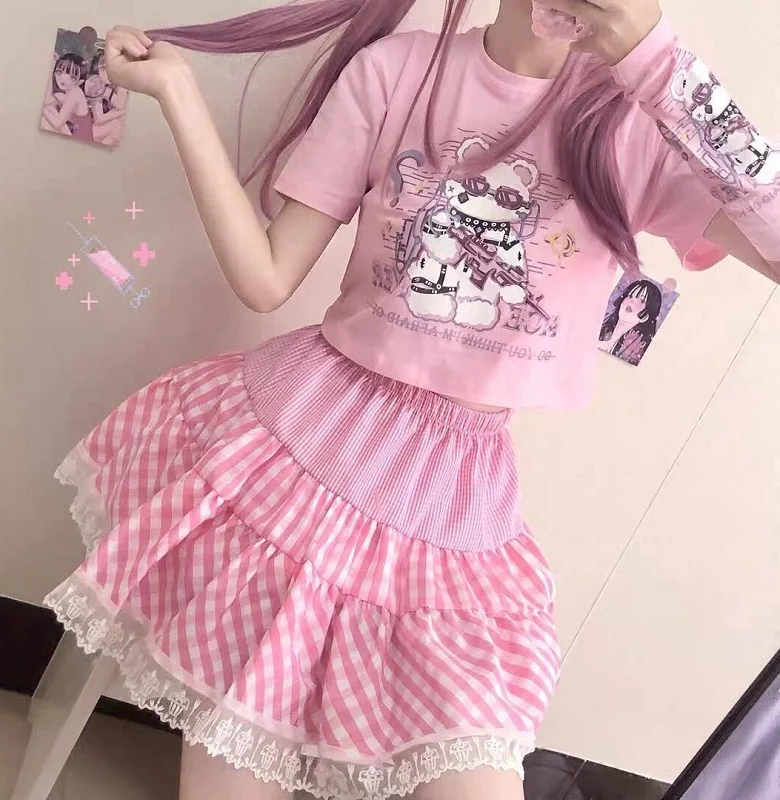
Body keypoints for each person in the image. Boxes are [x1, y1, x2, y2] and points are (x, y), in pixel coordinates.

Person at [44, 1, 780, 799]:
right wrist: (180, 93)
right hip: (301, 457)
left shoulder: (636, 123)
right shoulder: (397, 72)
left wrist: (659, 63)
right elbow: (267, 276)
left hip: (456, 504)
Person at [598, 278, 663, 364]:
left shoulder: (635, 350)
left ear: (647, 314)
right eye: (630, 296)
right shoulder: (602, 328)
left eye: (642, 301)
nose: (631, 302)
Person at [42, 53, 94, 142]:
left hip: (79, 138)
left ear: (80, 82)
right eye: (59, 72)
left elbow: (57, 124)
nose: (63, 78)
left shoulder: (74, 94)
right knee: (52, 101)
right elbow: (48, 98)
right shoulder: (70, 91)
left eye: (72, 77)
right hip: (74, 132)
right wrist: (52, 65)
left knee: (46, 112)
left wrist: (41, 109)